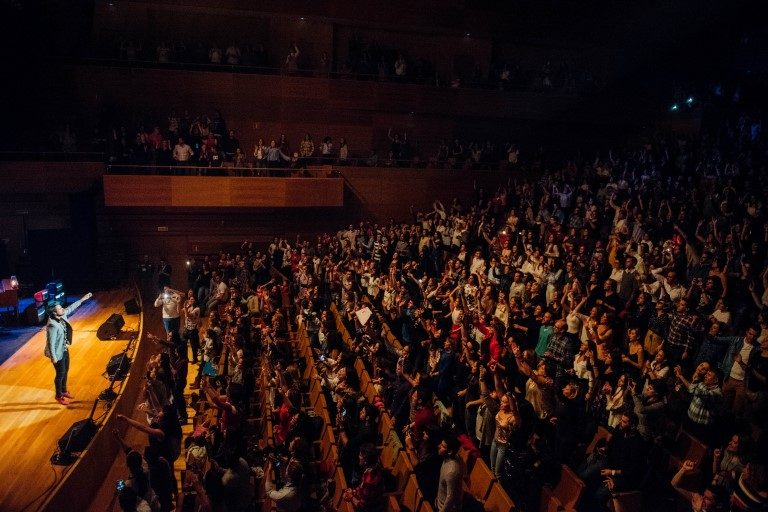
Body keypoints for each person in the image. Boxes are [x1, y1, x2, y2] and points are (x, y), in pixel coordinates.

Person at [44, 292, 92, 405]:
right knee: (60, 374)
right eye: (60, 308)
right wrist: (54, 358)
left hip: (64, 349)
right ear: (54, 313)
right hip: (57, 353)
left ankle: (64, 390)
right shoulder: (52, 325)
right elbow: (51, 343)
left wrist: (82, 299)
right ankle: (58, 395)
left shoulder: (62, 315)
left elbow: (71, 307)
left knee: (66, 371)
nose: (62, 309)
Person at [436, 435, 464, 512]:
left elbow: (450, 498)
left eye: (442, 446)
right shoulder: (452, 457)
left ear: (449, 452)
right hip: (439, 501)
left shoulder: (452, 471)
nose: (438, 446)